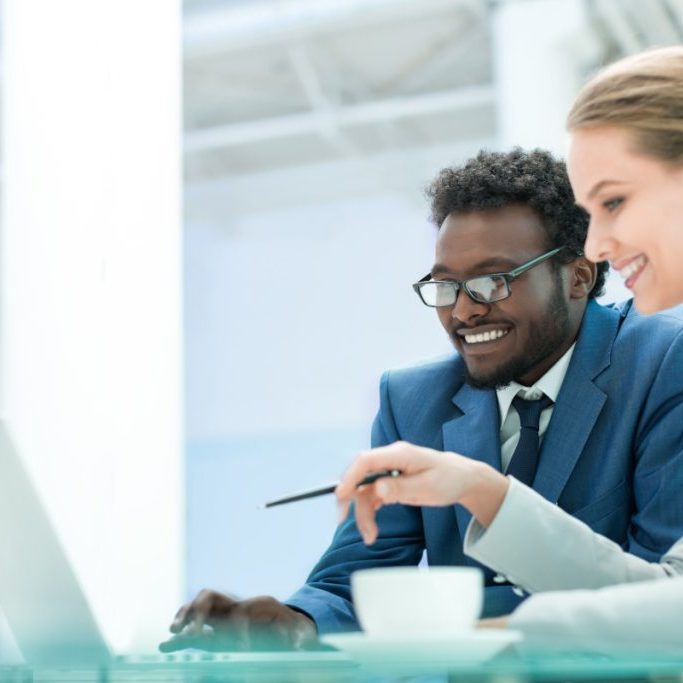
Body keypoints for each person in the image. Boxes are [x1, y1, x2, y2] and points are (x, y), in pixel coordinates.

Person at [161, 147, 683, 653]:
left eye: (492, 282)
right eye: (445, 286)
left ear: (579, 276)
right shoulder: (413, 399)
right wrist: (293, 622)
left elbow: (657, 598)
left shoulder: (662, 361)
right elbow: (355, 580)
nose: (463, 311)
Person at [336, 45, 683, 654]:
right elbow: (665, 599)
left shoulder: (662, 356)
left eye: (614, 201)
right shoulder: (413, 396)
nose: (597, 244)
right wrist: (480, 489)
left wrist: (483, 637)